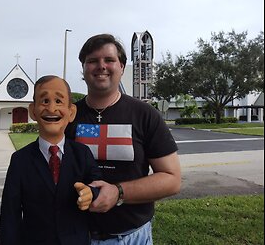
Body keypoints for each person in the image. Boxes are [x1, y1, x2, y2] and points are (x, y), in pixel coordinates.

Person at [65, 33, 181, 244]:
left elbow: (172, 179)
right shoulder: (68, 116)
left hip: (131, 237)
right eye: (92, 61)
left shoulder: (145, 114)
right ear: (83, 68)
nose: (101, 66)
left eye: (109, 60)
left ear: (122, 67)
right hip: (76, 235)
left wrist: (118, 192)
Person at [0, 75, 102, 245]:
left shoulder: (82, 154)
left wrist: (91, 192)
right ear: (33, 111)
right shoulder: (19, 160)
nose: (52, 108)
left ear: (71, 112)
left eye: (59, 101)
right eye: (45, 101)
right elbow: (10, 215)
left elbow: (98, 185)